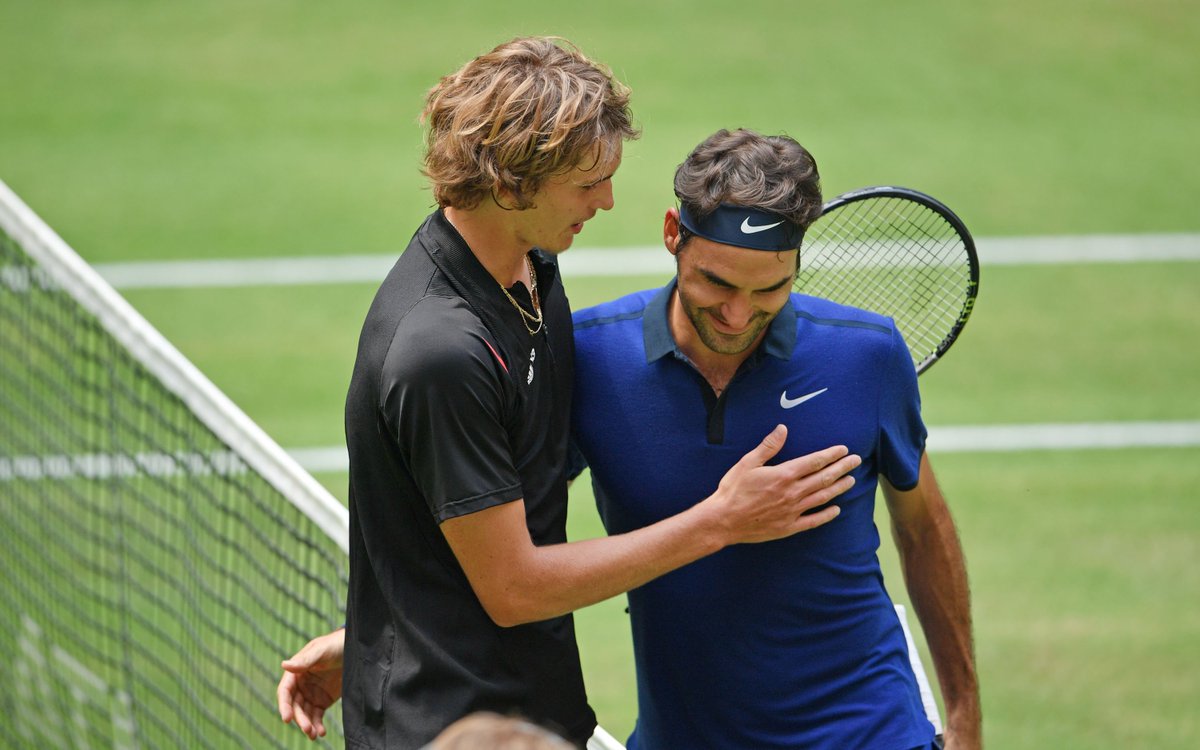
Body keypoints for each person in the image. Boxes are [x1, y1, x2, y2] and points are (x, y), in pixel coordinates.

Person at [281, 39, 861, 749]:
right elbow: (514, 585)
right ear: (512, 182)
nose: (609, 201)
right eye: (588, 183)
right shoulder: (441, 351)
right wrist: (722, 520)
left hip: (528, 705)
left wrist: (377, 630)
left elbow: (479, 506)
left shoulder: (529, 268)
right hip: (450, 727)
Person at [568, 128, 981, 748]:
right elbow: (516, 549)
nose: (739, 315)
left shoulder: (867, 354)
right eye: (717, 283)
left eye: (770, 289)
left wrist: (966, 719)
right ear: (672, 235)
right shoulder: (588, 358)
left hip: (868, 730)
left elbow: (924, 527)